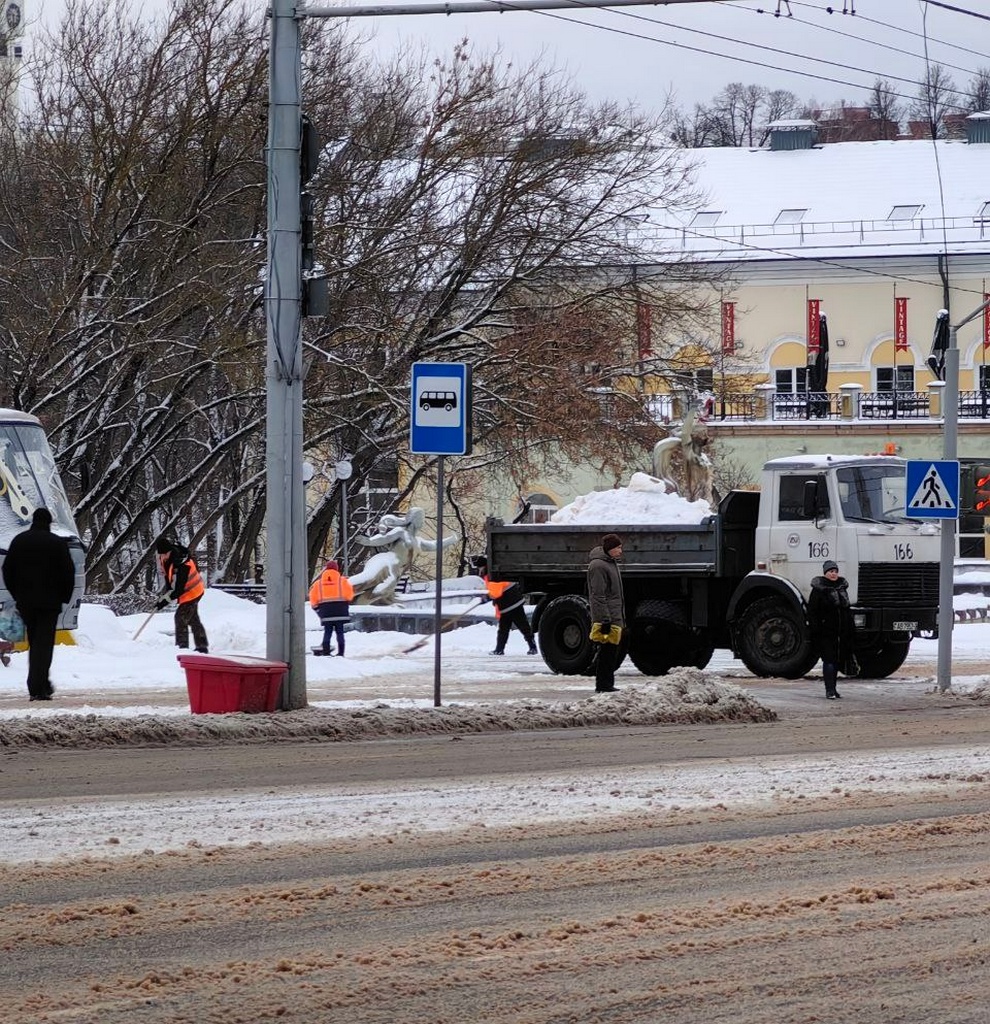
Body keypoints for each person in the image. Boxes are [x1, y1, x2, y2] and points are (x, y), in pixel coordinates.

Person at [1, 507, 75, 700]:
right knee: (44, 644)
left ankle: (41, 683)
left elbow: (7, 570)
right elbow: (68, 573)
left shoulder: (19, 541)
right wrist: (64, 596)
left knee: (35, 641)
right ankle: (37, 686)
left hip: (26, 602)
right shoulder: (57, 543)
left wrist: (16, 594)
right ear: (49, 522)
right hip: (50, 603)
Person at [807, 559, 855, 700]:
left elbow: (846, 610)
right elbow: (813, 611)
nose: (834, 574)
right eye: (831, 571)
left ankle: (834, 689)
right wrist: (816, 629)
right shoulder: (819, 590)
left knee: (836, 661)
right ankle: (829, 690)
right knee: (829, 661)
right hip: (826, 632)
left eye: (835, 571)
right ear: (825, 573)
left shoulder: (841, 588)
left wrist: (850, 627)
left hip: (841, 632)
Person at [475, 556, 537, 656]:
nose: (479, 570)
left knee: (522, 626)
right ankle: (500, 649)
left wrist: (487, 597)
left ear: (483, 566)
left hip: (511, 602)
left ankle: (532, 646)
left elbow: (495, 591)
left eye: (479, 567)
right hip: (507, 604)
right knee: (505, 628)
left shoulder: (492, 574)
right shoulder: (491, 572)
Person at [155, 537, 209, 653]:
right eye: (161, 555)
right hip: (188, 591)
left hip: (193, 592)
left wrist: (164, 601)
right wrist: (164, 596)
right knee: (193, 619)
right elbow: (169, 579)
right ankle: (202, 646)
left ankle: (182, 648)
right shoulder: (166, 559)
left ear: (169, 551)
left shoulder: (182, 564)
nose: (162, 557)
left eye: (164, 554)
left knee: (180, 618)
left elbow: (178, 589)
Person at [587, 532, 625, 693]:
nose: (620, 551)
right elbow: (598, 595)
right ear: (610, 549)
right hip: (607, 617)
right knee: (606, 652)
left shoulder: (610, 563)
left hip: (614, 614)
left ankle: (607, 683)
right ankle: (603, 685)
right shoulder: (598, 566)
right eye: (618, 547)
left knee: (611, 652)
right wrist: (604, 620)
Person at [309, 559, 354, 656]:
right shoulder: (343, 581)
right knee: (340, 633)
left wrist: (317, 609)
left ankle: (326, 653)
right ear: (336, 569)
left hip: (326, 612)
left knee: (327, 632)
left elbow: (313, 598)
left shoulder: (318, 584)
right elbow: (350, 595)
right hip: (340, 611)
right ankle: (341, 653)